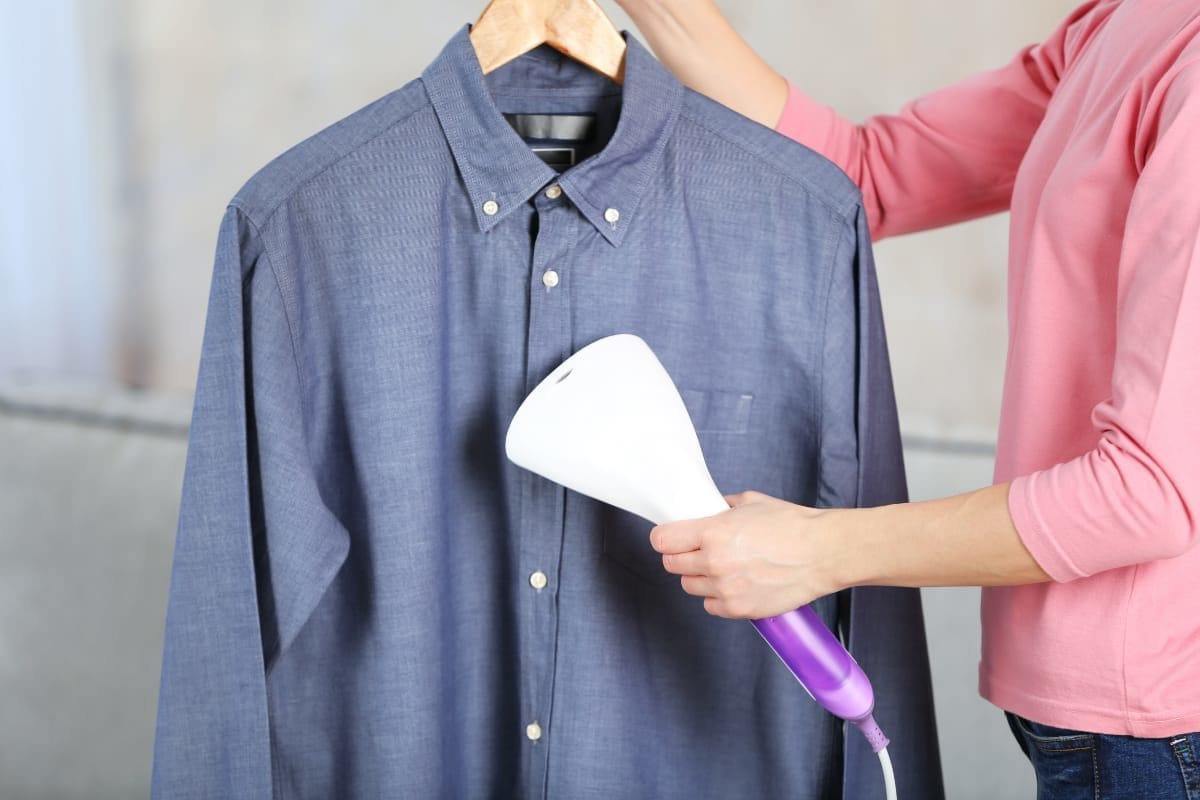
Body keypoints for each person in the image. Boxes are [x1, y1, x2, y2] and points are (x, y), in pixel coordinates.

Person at [615, 0, 1200, 796]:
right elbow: (865, 173)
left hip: (1160, 721)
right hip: (1079, 710)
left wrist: (817, 552)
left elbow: (1149, 493)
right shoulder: (1126, 21)